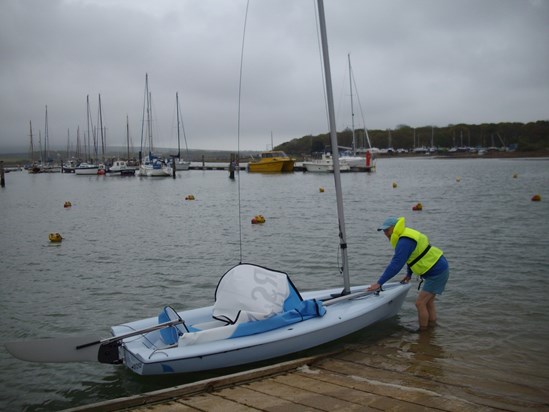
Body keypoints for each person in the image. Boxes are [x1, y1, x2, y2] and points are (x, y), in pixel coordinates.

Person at [367, 216, 449, 331]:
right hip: (438, 267)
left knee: (420, 303)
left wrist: (379, 283)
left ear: (394, 227)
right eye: (383, 231)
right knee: (428, 302)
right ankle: (431, 329)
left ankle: (423, 333)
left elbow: (396, 265)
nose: (385, 233)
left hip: (436, 272)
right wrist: (409, 275)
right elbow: (412, 257)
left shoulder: (404, 241)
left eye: (387, 230)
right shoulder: (404, 236)